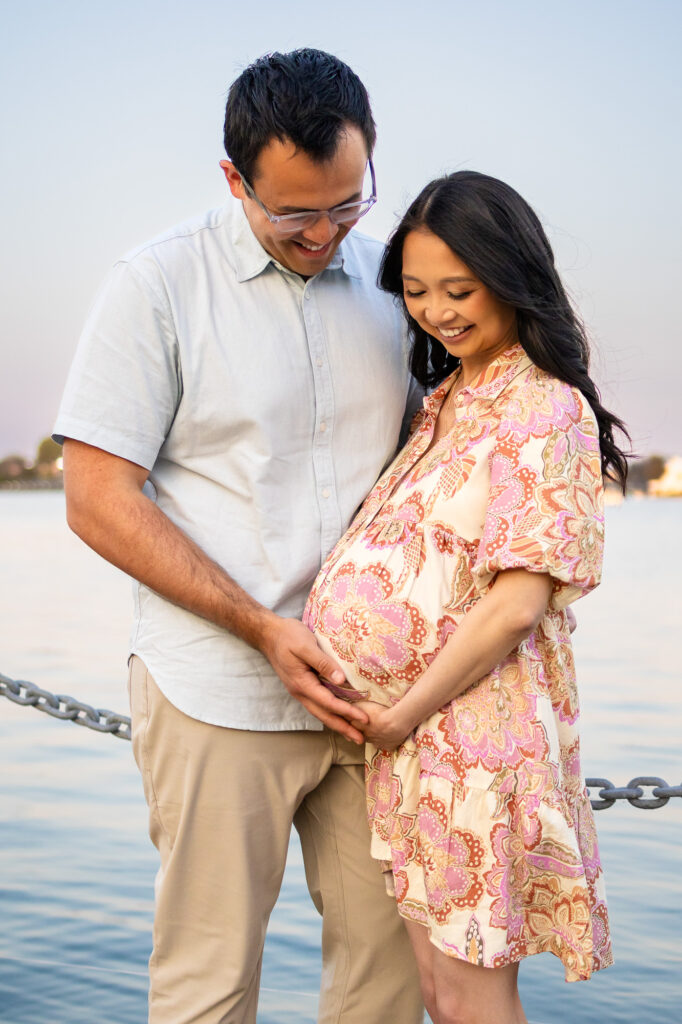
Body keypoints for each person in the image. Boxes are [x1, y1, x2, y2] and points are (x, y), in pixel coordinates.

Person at [53, 49, 424, 1024]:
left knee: (388, 988)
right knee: (207, 990)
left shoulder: (401, 283)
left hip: (371, 701)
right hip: (213, 688)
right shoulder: (156, 285)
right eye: (293, 212)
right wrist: (262, 626)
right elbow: (95, 496)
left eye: (345, 203)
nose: (323, 233)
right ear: (232, 178)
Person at [304, 171, 629, 1024]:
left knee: (475, 1001)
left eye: (459, 289)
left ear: (512, 276)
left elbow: (515, 603)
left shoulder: (543, 407)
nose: (437, 312)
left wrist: (404, 711)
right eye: (415, 291)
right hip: (413, 749)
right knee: (439, 996)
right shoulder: (450, 398)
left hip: (471, 747)